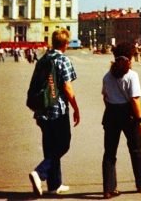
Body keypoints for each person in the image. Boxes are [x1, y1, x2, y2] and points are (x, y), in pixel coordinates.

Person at [28, 29, 80, 196]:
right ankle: (40, 172)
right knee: (63, 144)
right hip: (58, 110)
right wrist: (76, 108)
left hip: (41, 108)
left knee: (50, 146)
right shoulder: (63, 60)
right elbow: (67, 87)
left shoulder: (43, 59)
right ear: (65, 44)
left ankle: (54, 185)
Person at [101, 43, 141, 198]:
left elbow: (105, 96)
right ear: (130, 58)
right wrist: (140, 120)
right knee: (136, 149)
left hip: (111, 113)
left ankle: (109, 189)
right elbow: (135, 100)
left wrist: (112, 108)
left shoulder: (107, 76)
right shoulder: (132, 75)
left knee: (109, 152)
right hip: (128, 115)